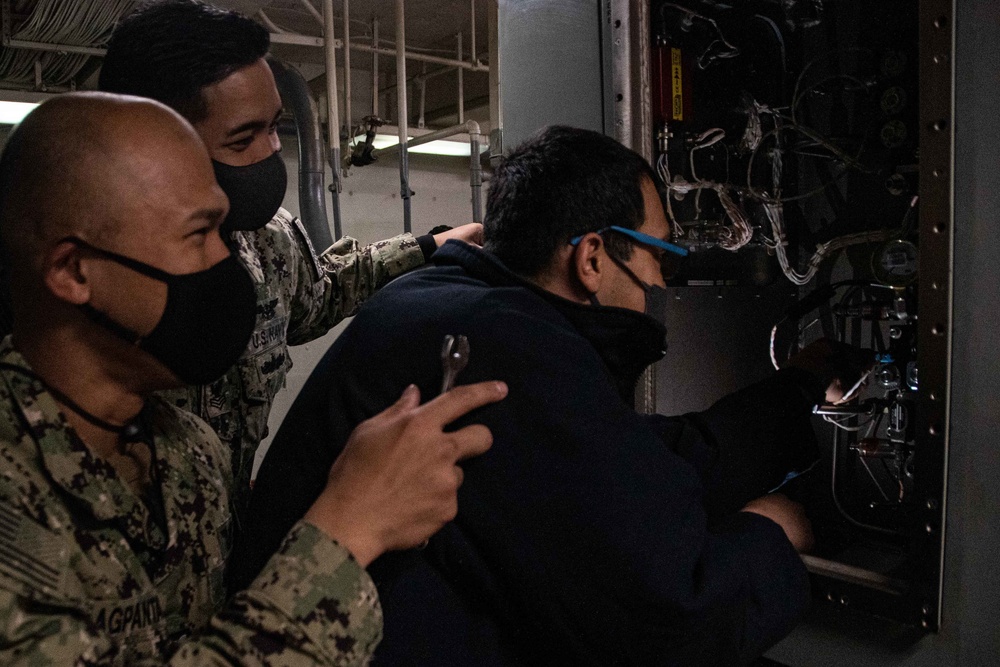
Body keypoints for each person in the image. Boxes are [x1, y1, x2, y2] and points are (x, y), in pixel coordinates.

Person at [238, 126, 861, 665]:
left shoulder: (446, 301)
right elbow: (674, 623)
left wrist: (799, 385)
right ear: (592, 258)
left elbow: (632, 462)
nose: (656, 285)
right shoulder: (511, 347)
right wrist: (778, 530)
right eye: (660, 258)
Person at [0, 92, 506, 664]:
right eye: (199, 235)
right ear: (73, 271)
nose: (231, 264)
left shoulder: (190, 454)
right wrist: (348, 530)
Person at [97, 0, 484, 527]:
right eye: (243, 138)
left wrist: (427, 248)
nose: (272, 150)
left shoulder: (268, 238)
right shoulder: (96, 278)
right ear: (154, 140)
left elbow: (315, 298)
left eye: (274, 126)